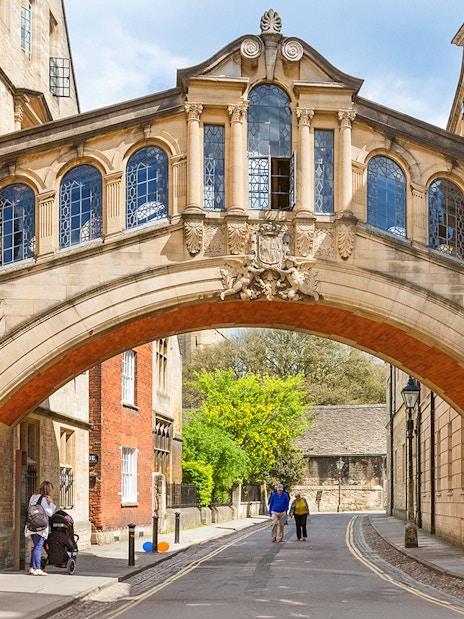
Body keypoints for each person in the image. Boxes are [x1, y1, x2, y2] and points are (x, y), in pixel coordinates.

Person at [25, 480, 56, 575]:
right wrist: (51, 503)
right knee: (38, 546)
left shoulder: (33, 497)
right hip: (40, 526)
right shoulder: (43, 499)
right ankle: (37, 568)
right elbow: (49, 513)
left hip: (32, 525)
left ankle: (31, 567)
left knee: (36, 546)